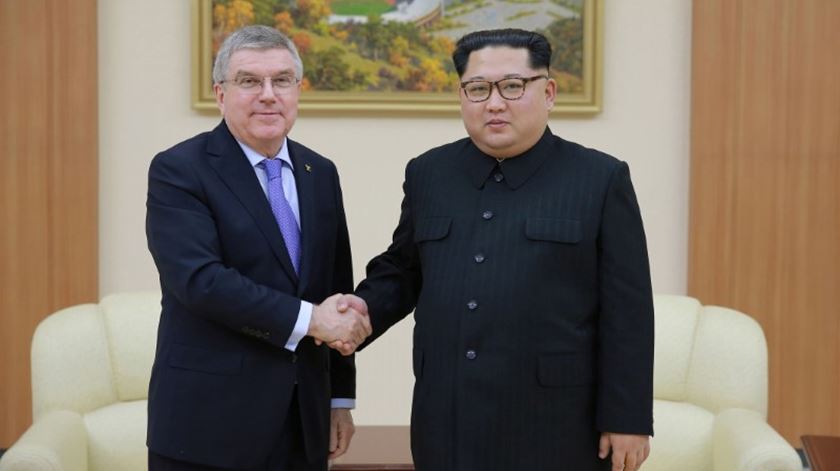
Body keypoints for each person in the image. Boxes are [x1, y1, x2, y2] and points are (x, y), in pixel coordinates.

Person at [352, 29, 654, 471]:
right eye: (478, 89)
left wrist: (628, 418)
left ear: (548, 91)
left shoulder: (600, 178)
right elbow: (403, 270)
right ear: (462, 94)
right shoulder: (429, 173)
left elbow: (628, 310)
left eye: (512, 86)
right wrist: (357, 313)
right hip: (446, 419)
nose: (494, 103)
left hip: (558, 425)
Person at [145, 25, 370, 471]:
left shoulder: (319, 172)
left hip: (302, 423)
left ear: (298, 90)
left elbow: (334, 289)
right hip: (208, 428)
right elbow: (201, 282)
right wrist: (311, 320)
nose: (268, 94)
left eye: (282, 80)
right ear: (220, 93)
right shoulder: (179, 170)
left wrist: (338, 398)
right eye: (249, 81)